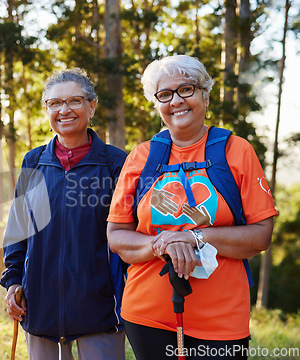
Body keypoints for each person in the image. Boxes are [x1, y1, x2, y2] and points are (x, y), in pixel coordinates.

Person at [107, 55, 278, 359]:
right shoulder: (141, 156)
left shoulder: (236, 151)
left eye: (186, 89)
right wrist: (163, 242)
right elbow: (117, 235)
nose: (176, 101)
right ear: (157, 104)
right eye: (165, 94)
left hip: (223, 321)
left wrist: (194, 238)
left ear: (204, 94)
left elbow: (261, 235)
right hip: (148, 316)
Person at [0, 68, 127, 360]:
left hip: (100, 311)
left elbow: (129, 233)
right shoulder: (33, 161)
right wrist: (14, 281)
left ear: (92, 106)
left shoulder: (114, 162)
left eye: (74, 101)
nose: (64, 110)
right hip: (39, 306)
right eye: (55, 103)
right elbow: (18, 229)